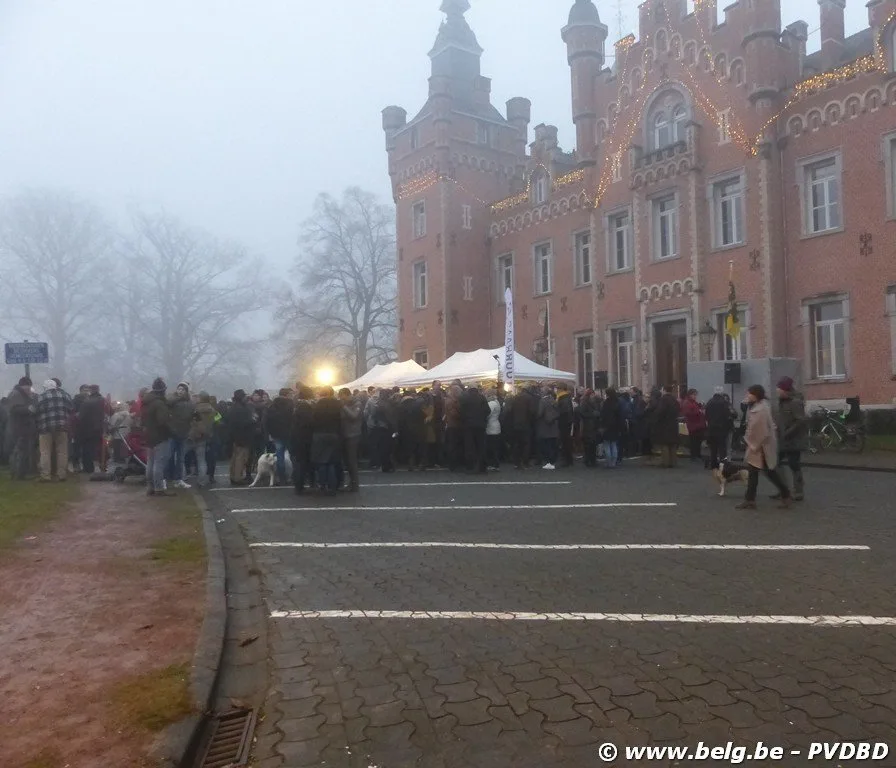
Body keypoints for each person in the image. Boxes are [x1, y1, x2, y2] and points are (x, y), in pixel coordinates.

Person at [737, 384, 792, 509]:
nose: (747, 395)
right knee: (755, 473)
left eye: (750, 393)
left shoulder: (760, 410)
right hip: (758, 446)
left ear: (756, 395)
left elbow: (761, 431)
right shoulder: (758, 407)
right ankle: (750, 499)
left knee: (768, 472)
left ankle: (785, 493)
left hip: (761, 447)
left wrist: (751, 443)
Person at [774, 377, 807, 502]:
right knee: (775, 463)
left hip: (793, 439)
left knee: (794, 464)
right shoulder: (782, 401)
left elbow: (801, 420)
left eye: (779, 389)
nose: (777, 391)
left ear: (785, 389)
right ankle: (783, 489)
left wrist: (788, 432)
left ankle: (798, 491)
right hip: (782, 439)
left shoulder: (795, 402)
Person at [36, 379, 74, 482]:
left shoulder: (41, 397)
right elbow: (71, 409)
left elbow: (36, 411)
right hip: (62, 427)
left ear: (45, 387)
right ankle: (61, 474)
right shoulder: (65, 395)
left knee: (45, 452)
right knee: (62, 452)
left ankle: (45, 475)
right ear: (56, 386)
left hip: (45, 428)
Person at [143, 378, 175, 496]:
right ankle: (159, 488)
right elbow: (163, 421)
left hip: (149, 436)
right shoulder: (159, 403)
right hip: (160, 436)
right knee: (159, 463)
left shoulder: (146, 402)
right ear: (163, 390)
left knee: (150, 463)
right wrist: (171, 428)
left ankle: (150, 487)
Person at [311, 387, 342, 494]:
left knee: (322, 462)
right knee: (332, 461)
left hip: (319, 434)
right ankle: (333, 486)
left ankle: (322, 484)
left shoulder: (317, 405)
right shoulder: (337, 404)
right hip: (333, 434)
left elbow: (313, 420)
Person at [167, 382, 194, 488]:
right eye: (179, 389)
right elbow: (168, 404)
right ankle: (167, 478)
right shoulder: (172, 400)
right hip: (172, 433)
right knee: (169, 457)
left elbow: (193, 417)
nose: (180, 391)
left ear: (186, 391)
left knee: (180, 458)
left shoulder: (190, 403)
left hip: (183, 433)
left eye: (183, 389)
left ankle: (179, 479)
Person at [266, 388, 295, 485]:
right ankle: (293, 476)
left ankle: (280, 477)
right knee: (293, 455)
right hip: (289, 434)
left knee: (279, 456)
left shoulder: (272, 406)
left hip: (276, 435)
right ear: (287, 395)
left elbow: (267, 420)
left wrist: (270, 432)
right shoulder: (291, 405)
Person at [188, 392, 217, 487]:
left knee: (181, 457)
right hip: (207, 436)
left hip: (193, 436)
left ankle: (181, 478)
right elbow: (218, 421)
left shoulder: (194, 409)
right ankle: (202, 480)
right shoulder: (212, 409)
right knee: (202, 460)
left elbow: (191, 422)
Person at [227, 390, 255, 486]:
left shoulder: (232, 408)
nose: (245, 398)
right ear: (241, 397)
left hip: (234, 437)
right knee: (241, 459)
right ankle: (238, 478)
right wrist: (252, 421)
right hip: (242, 437)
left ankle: (233, 476)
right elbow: (245, 423)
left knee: (234, 458)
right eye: (244, 396)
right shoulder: (242, 409)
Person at [290, 386, 315, 493]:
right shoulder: (306, 407)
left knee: (299, 463)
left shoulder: (297, 406)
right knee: (303, 463)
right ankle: (300, 485)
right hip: (305, 439)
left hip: (296, 438)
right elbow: (309, 423)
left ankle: (299, 485)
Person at [460, 384, 489, 473]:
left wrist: (466, 419)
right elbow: (488, 410)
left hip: (468, 426)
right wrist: (482, 418)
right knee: (481, 446)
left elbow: (461, 412)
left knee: (469, 446)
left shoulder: (465, 398)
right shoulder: (482, 397)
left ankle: (470, 466)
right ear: (476, 389)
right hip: (481, 425)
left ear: (469, 389)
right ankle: (482, 467)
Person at [705, 387, 736, 468]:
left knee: (713, 449)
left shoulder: (709, 402)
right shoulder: (724, 402)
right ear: (722, 393)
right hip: (722, 429)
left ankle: (713, 464)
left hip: (711, 429)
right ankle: (722, 465)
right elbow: (729, 415)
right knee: (722, 448)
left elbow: (706, 415)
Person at [507, 384, 536, 469]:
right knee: (526, 444)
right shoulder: (530, 398)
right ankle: (525, 462)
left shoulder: (515, 397)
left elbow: (510, 411)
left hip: (515, 424)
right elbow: (532, 412)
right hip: (526, 424)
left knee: (517, 444)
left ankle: (517, 462)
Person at [652, 385, 681, 468]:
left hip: (664, 425)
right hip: (673, 424)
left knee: (665, 444)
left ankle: (666, 462)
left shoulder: (663, 399)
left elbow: (659, 412)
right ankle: (673, 462)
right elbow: (678, 410)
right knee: (672, 445)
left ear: (664, 390)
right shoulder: (674, 399)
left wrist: (655, 419)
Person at [339, 387, 362, 492]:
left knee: (352, 461)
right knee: (347, 461)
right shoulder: (346, 404)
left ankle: (355, 484)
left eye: (342, 397)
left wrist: (343, 406)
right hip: (345, 434)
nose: (341, 399)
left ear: (347, 395)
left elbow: (354, 416)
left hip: (353, 435)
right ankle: (351, 482)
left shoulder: (357, 403)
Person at [398, 388, 426, 471]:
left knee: (410, 448)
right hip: (419, 429)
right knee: (420, 447)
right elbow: (423, 416)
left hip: (407, 430)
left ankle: (411, 465)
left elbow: (400, 420)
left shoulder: (401, 406)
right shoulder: (418, 404)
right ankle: (421, 464)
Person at [599, 387, 625, 467]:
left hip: (606, 426)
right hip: (616, 426)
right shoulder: (618, 402)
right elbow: (621, 415)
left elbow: (603, 415)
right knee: (614, 444)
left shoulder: (606, 403)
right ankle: (614, 462)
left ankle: (608, 462)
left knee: (607, 444)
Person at [536, 386, 559, 470]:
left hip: (545, 425)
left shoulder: (542, 401)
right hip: (554, 425)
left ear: (544, 392)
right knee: (552, 444)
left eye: (541, 391)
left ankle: (549, 462)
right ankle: (553, 461)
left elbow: (540, 413)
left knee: (546, 444)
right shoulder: (553, 400)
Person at [681, 389, 707, 462]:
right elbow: (688, 413)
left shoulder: (694, 402)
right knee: (694, 441)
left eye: (696, 395)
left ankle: (697, 455)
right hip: (693, 425)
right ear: (690, 395)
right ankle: (694, 456)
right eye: (694, 395)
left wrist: (701, 407)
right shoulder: (687, 403)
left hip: (698, 425)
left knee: (698, 441)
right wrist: (699, 411)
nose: (695, 396)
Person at [555, 384, 574, 467]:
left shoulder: (563, 398)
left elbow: (563, 411)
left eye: (557, 388)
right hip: (566, 422)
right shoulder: (564, 397)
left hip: (565, 423)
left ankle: (567, 460)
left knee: (565, 441)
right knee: (565, 441)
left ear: (561, 389)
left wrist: (555, 409)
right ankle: (568, 460)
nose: (556, 390)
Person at [485, 389, 502, 470]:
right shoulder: (496, 401)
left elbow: (488, 414)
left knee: (491, 447)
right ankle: (495, 464)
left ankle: (493, 464)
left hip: (491, 427)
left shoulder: (492, 403)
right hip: (496, 426)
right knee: (495, 447)